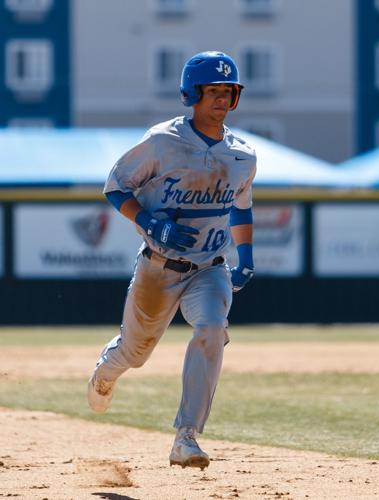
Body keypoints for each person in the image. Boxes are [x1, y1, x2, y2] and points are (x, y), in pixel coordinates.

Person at [87, 51, 257, 470]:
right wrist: (149, 222)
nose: (221, 98)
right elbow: (115, 186)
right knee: (135, 352)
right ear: (192, 94)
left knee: (212, 328)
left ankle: (186, 437)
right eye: (212, 90)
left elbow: (241, 206)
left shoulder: (243, 154)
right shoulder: (162, 141)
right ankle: (107, 372)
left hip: (210, 266)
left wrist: (247, 255)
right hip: (158, 266)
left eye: (228, 91)